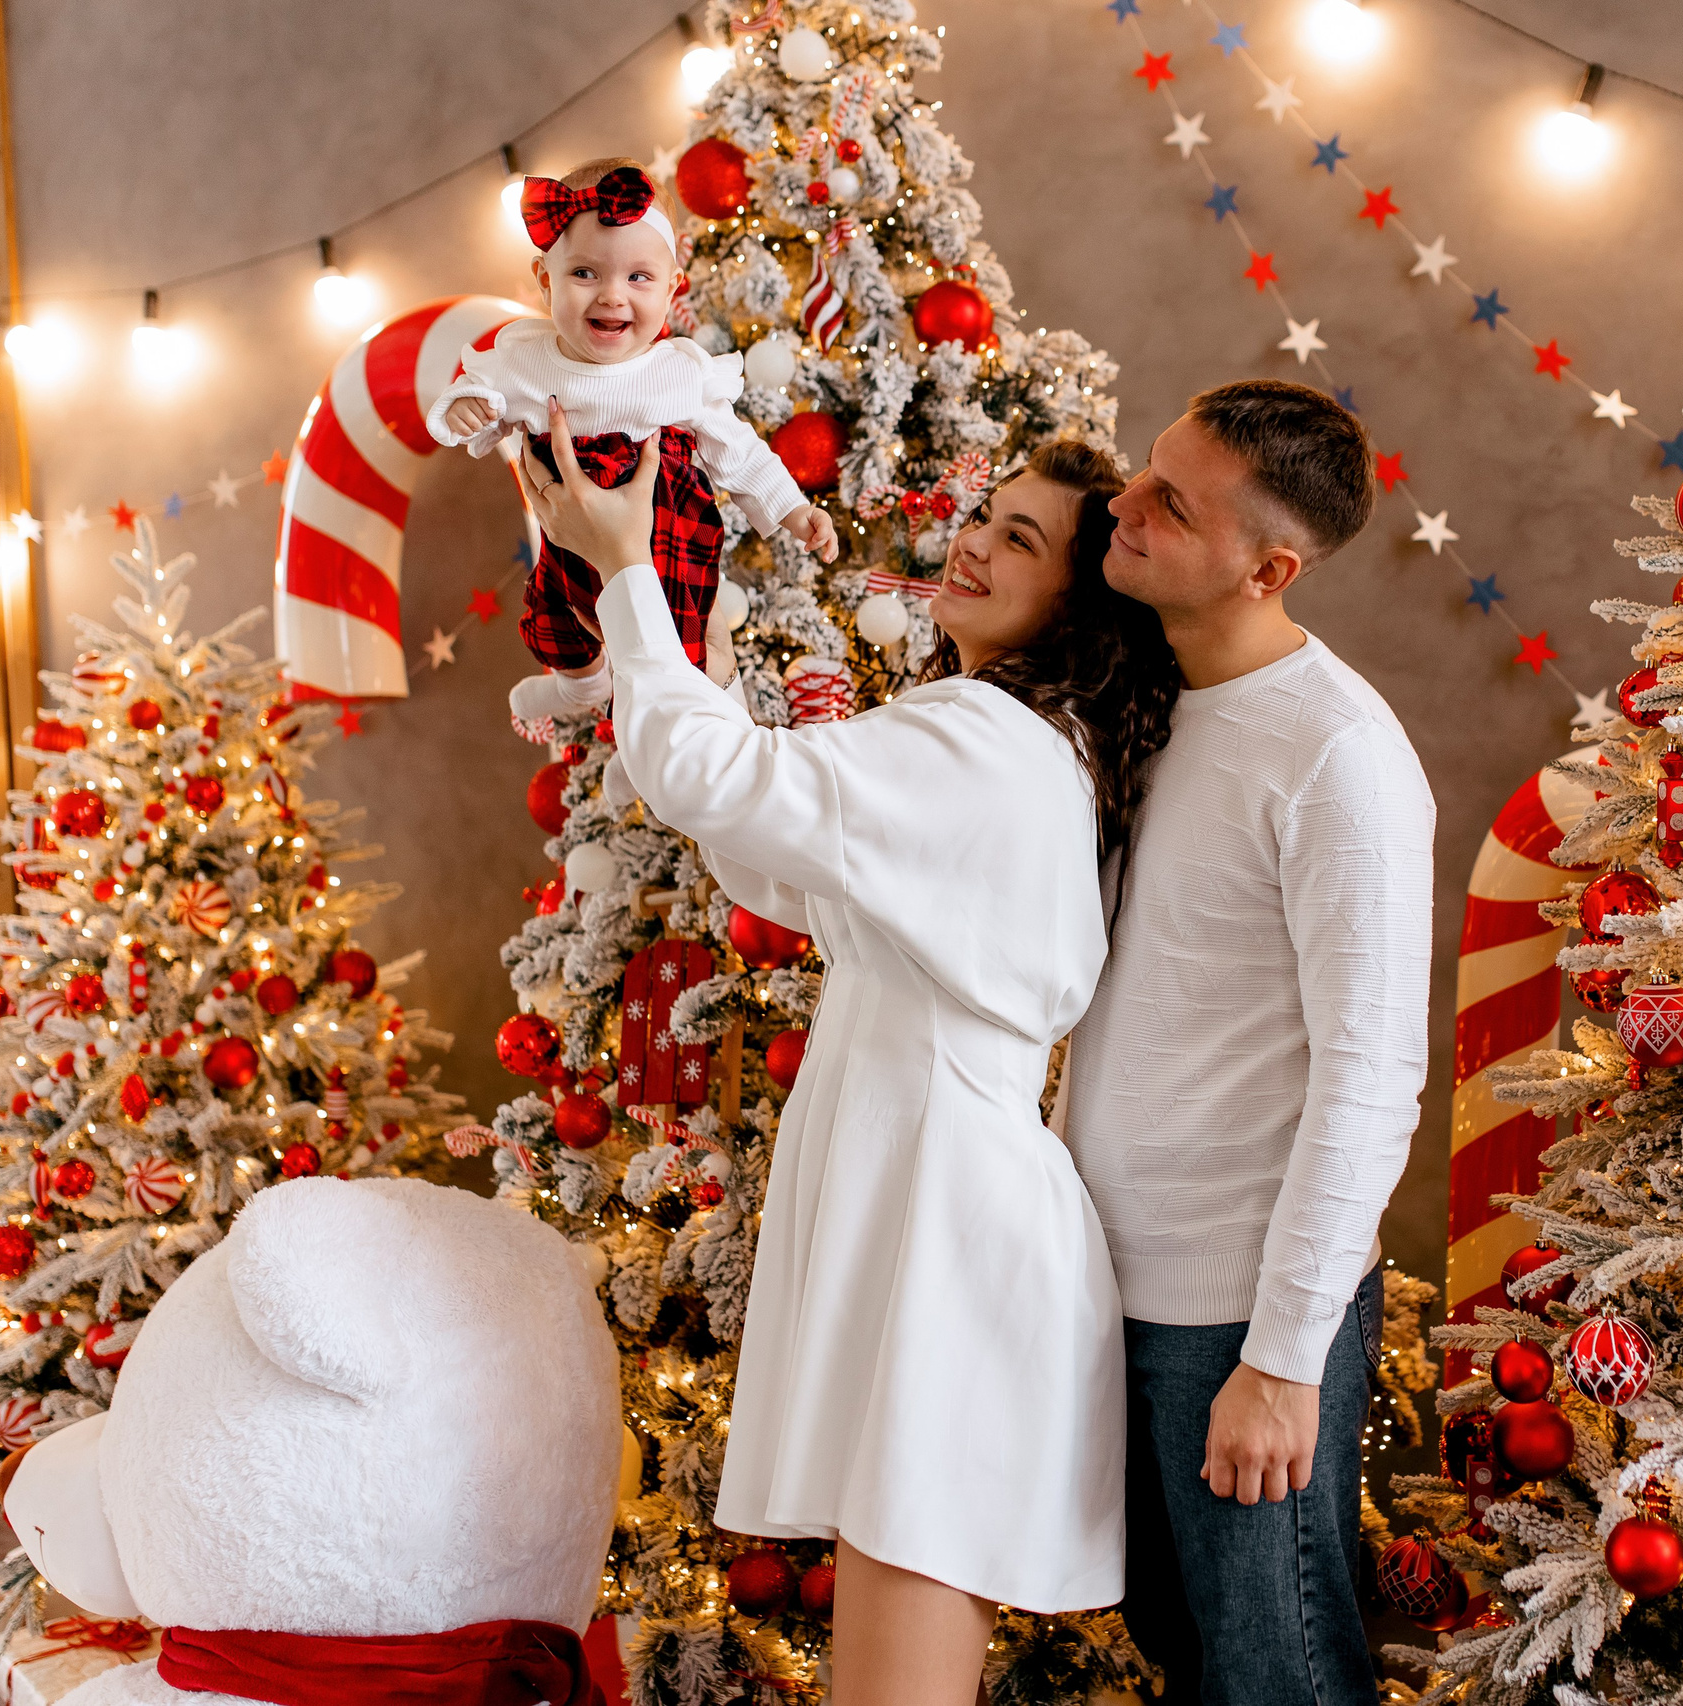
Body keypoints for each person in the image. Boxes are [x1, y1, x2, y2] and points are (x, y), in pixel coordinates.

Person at [519, 402, 1179, 1706]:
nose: (975, 547)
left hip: (947, 1212)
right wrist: (658, 621)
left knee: (898, 1667)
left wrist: (631, 571)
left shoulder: (988, 744)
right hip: (931, 1190)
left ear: (1082, 603)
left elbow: (716, 784)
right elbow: (765, 837)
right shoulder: (1012, 741)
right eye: (984, 520)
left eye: (1023, 540)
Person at [1062, 379, 1435, 1703]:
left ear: (1270, 566)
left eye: (1173, 501)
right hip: (1111, 1286)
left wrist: (1282, 1359)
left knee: (1279, 1670)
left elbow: (1372, 1073)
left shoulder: (1338, 755)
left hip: (1242, 1311)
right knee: (1180, 1649)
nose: (1127, 504)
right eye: (1145, 471)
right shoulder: (1147, 700)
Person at [424, 158, 840, 725]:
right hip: (569, 547)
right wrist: (466, 409)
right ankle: (582, 687)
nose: (612, 297)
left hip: (667, 543)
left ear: (672, 288)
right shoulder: (525, 360)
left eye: (638, 278)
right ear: (546, 282)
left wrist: (792, 509)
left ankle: (683, 733)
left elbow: (737, 451)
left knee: (675, 652)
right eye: (585, 274)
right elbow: (477, 400)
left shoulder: (680, 373)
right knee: (555, 621)